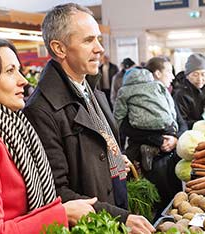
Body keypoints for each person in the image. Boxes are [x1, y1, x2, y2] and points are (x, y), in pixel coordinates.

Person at [0, 38, 97, 234]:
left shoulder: (13, 126)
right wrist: (61, 214)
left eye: (19, 70)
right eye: (10, 71)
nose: (23, 80)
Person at [22, 4, 155, 234]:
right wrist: (121, 218)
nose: (100, 49)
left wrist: (112, 158)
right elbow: (55, 190)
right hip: (92, 227)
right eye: (88, 41)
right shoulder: (41, 110)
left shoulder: (89, 90)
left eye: (99, 40)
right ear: (59, 48)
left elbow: (89, 152)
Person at [120, 57, 187, 221]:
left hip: (171, 159)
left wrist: (175, 139)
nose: (172, 76)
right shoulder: (134, 96)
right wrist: (157, 140)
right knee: (154, 206)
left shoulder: (167, 95)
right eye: (169, 72)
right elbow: (125, 127)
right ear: (157, 74)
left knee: (174, 204)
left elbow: (181, 123)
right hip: (147, 162)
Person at [114, 67, 178, 171]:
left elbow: (118, 115)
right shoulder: (158, 85)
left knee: (133, 142)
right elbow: (171, 106)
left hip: (140, 126)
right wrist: (173, 125)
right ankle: (154, 148)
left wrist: (117, 128)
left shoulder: (124, 90)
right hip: (164, 124)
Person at [173, 53, 205, 129]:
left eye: (203, 74)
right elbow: (181, 122)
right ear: (187, 76)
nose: (200, 79)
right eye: (195, 75)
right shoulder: (180, 94)